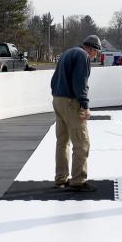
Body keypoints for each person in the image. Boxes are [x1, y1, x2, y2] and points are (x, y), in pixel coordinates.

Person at [50, 35, 103, 192]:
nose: (95, 57)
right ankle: (78, 181)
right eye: (97, 53)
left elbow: (54, 80)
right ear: (91, 49)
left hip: (58, 100)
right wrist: (85, 106)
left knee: (62, 141)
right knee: (81, 143)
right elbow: (81, 82)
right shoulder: (83, 56)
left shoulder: (68, 52)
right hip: (71, 103)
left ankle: (61, 179)